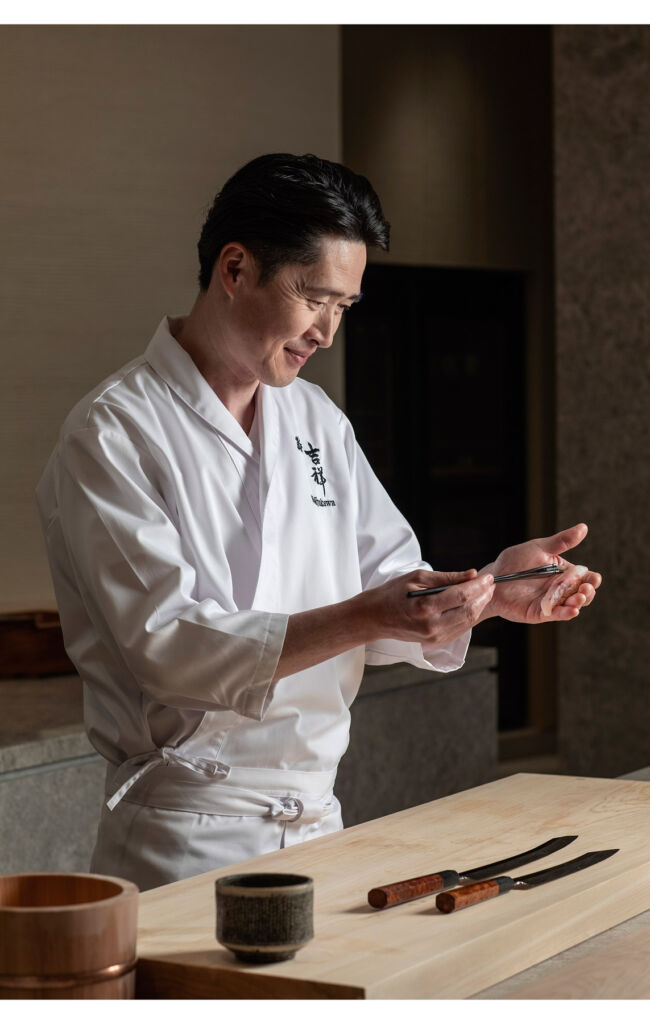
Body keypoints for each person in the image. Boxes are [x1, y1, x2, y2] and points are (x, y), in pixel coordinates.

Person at [36, 153, 601, 891]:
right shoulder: (113, 433)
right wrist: (368, 614)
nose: (328, 333)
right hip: (189, 836)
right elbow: (171, 650)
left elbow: (388, 585)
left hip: (320, 827)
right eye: (314, 298)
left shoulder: (315, 420)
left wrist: (493, 586)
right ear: (234, 269)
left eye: (346, 307)